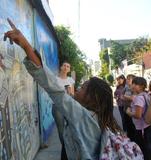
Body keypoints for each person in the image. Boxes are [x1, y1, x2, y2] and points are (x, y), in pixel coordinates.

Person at [4, 19, 121, 159]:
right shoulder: (97, 119)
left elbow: (53, 87)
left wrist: (25, 45)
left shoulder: (84, 117)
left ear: (92, 98)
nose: (77, 90)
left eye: (83, 88)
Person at [126, 77, 151, 160]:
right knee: (147, 146)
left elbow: (138, 115)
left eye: (136, 84)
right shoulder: (145, 95)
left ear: (142, 86)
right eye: (133, 83)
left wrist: (129, 112)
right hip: (146, 125)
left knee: (143, 147)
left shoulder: (139, 98)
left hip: (140, 128)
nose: (133, 85)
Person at [122, 74, 136, 141]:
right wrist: (125, 97)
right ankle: (129, 138)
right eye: (127, 79)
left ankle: (134, 140)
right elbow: (121, 96)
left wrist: (125, 97)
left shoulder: (134, 88)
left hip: (131, 110)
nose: (127, 80)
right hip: (125, 108)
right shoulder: (126, 87)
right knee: (127, 125)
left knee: (132, 126)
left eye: (129, 79)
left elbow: (133, 98)